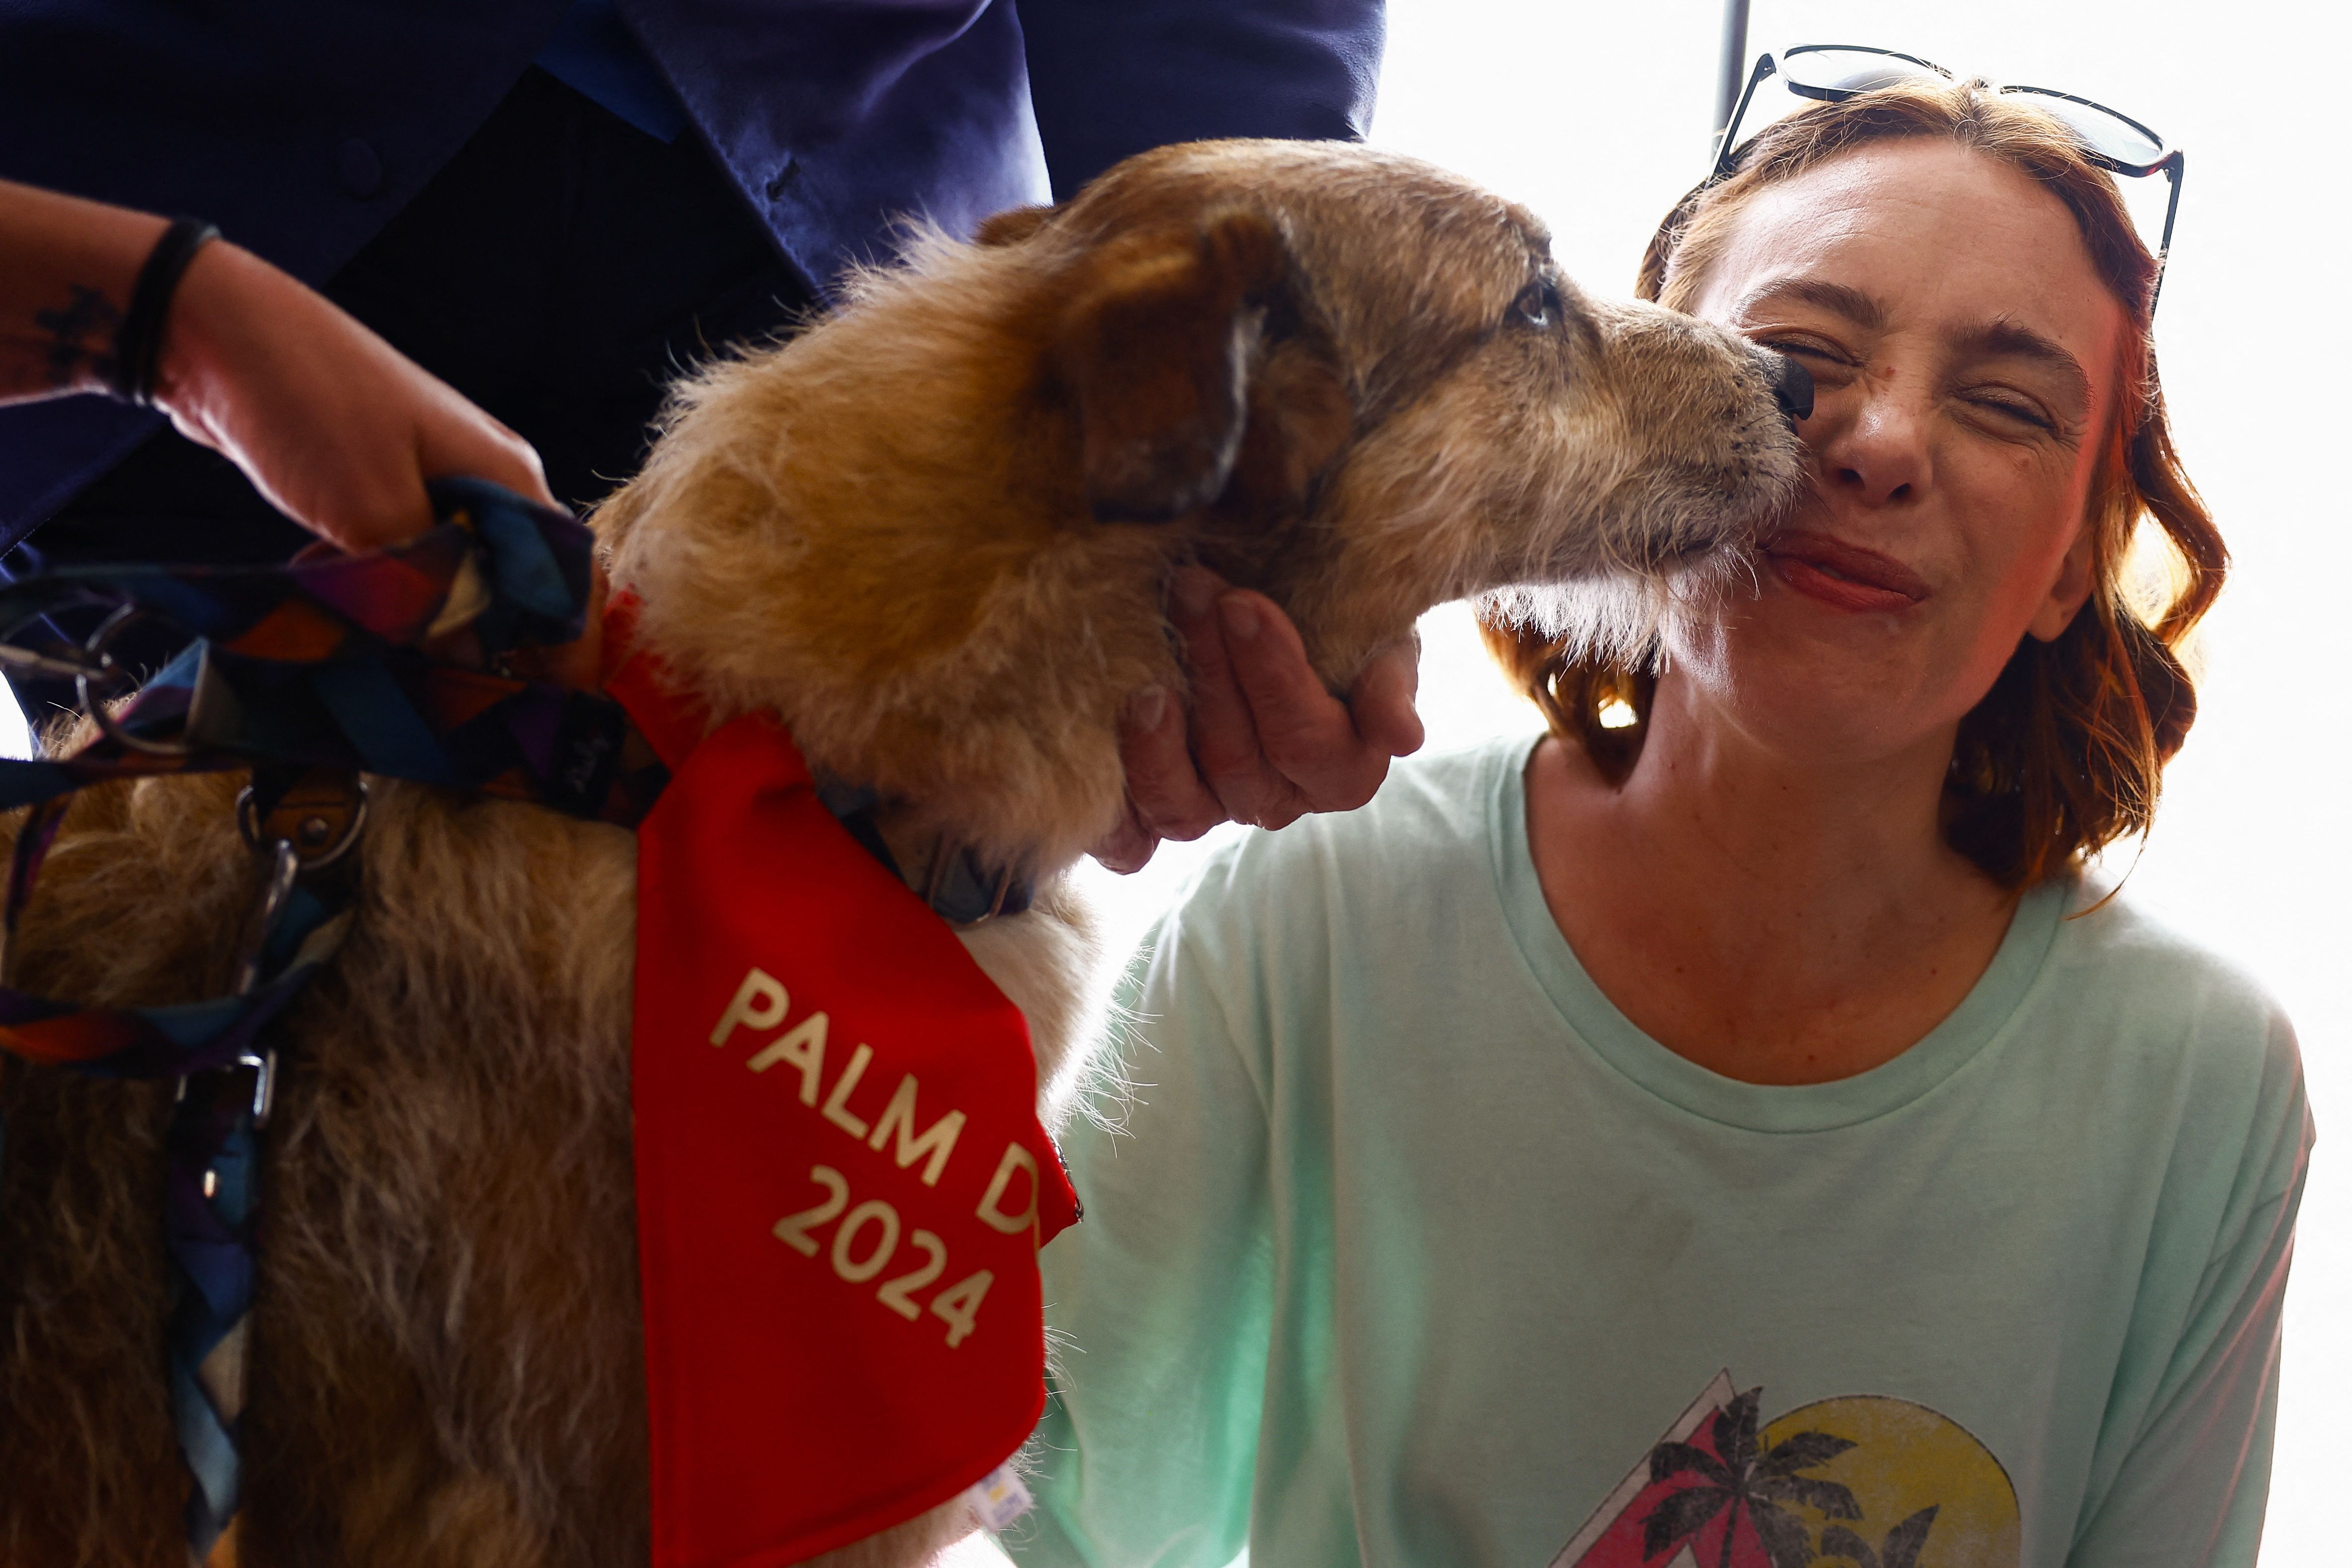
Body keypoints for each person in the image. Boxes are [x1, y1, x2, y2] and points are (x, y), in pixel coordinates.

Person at [1009, 77, 2312, 1568]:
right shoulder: (1312, 904)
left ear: (2078, 564)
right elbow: (1058, 1516)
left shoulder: (2199, 1084)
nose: (1880, 443)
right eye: (1797, 363)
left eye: (2006, 405)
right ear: (1633, 416)